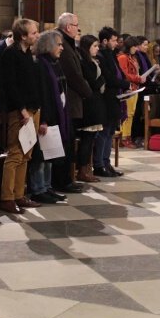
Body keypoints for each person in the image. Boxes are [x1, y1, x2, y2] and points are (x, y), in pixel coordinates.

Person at [0, 18, 44, 213]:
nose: (37, 35)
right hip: (19, 111)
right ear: (23, 35)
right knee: (15, 154)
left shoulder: (28, 54)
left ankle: (19, 194)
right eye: (33, 33)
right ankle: (7, 198)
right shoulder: (11, 54)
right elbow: (11, 86)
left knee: (26, 154)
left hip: (32, 109)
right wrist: (23, 109)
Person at [29, 30, 69, 202]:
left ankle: (47, 186)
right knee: (41, 155)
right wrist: (43, 119)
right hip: (45, 115)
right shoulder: (40, 64)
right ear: (49, 45)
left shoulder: (54, 63)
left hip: (56, 114)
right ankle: (38, 189)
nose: (61, 48)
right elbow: (42, 93)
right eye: (58, 44)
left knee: (50, 153)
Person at [54, 13, 90, 191]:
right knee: (65, 142)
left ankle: (67, 179)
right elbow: (73, 75)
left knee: (69, 142)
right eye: (76, 25)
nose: (77, 28)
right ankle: (62, 181)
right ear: (68, 27)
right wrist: (88, 92)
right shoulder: (62, 45)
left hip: (72, 100)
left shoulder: (69, 44)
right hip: (67, 101)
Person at [94, 27, 128, 177]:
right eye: (113, 40)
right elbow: (108, 77)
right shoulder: (101, 56)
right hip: (105, 99)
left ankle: (107, 163)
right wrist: (125, 84)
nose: (116, 43)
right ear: (105, 41)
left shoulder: (111, 54)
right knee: (104, 133)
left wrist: (124, 85)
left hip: (114, 98)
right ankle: (99, 165)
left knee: (110, 132)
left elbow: (118, 74)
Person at [75, 35, 105, 182]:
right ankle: (82, 170)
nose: (97, 49)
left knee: (91, 139)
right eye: (95, 46)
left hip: (95, 103)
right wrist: (102, 77)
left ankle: (87, 168)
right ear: (87, 47)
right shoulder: (85, 63)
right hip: (89, 105)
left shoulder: (92, 62)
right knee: (87, 140)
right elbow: (94, 82)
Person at [116, 36, 145, 147]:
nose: (136, 49)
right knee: (127, 113)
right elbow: (124, 74)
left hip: (135, 88)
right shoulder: (123, 57)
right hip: (128, 88)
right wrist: (137, 78)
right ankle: (123, 137)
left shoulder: (132, 57)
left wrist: (141, 77)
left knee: (131, 113)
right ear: (129, 46)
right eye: (135, 46)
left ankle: (127, 136)